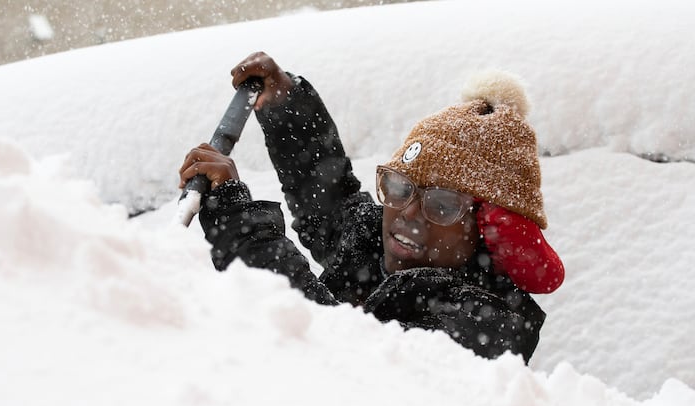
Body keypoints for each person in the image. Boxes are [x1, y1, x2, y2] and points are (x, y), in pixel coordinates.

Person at [178, 52, 564, 362]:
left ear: (488, 231)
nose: (406, 214)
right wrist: (286, 107)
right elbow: (328, 199)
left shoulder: (488, 326)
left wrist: (240, 223)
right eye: (399, 186)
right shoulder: (375, 247)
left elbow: (339, 361)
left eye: (442, 204)